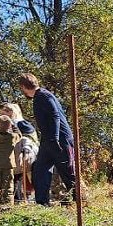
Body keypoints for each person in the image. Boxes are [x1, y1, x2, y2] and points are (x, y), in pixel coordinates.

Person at [17, 73, 77, 206]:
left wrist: (55, 137)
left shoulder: (43, 96)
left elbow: (55, 115)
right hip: (48, 140)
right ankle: (42, 203)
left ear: (23, 87)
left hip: (60, 139)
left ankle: (80, 201)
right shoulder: (39, 97)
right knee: (40, 169)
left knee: (67, 172)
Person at [0, 102, 38, 203]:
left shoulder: (20, 123)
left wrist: (25, 150)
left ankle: (22, 200)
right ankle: (15, 200)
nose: (3, 115)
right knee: (14, 179)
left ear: (12, 112)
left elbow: (29, 138)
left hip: (23, 156)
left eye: (6, 112)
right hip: (13, 157)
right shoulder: (6, 125)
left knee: (25, 179)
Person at [0, 115, 21, 204]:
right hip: (8, 164)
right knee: (8, 185)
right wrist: (14, 127)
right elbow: (19, 135)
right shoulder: (12, 137)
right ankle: (8, 201)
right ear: (9, 126)